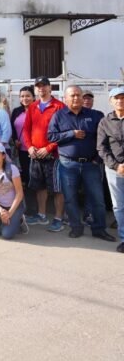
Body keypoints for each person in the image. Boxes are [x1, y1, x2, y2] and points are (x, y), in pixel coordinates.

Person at [48, 85, 113, 242]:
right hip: (68, 164)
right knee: (70, 198)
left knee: (97, 199)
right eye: (72, 95)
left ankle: (99, 229)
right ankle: (76, 227)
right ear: (65, 98)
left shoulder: (96, 116)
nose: (76, 98)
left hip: (91, 165)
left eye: (78, 95)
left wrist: (98, 159)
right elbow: (51, 137)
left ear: (83, 97)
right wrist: (71, 134)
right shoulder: (58, 116)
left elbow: (103, 139)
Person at [22, 76, 66, 232]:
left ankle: (59, 218)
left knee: (57, 188)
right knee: (39, 186)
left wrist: (49, 148)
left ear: (50, 88)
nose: (41, 88)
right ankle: (41, 215)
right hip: (35, 154)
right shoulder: (33, 106)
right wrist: (29, 147)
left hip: (53, 156)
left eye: (44, 86)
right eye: (38, 86)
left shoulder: (59, 106)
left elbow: (63, 133)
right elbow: (26, 129)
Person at [98, 86, 124, 253]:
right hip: (114, 170)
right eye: (117, 98)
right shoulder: (105, 122)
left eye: (122, 98)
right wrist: (116, 165)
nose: (120, 101)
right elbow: (101, 147)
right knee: (119, 206)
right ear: (111, 101)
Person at [11, 85, 35, 186]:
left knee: (35, 174)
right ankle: (28, 197)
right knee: (25, 172)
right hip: (21, 148)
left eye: (28, 96)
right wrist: (15, 139)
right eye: (22, 96)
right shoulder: (16, 111)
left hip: (35, 148)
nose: (24, 98)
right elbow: (12, 126)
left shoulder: (38, 110)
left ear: (33, 97)